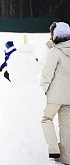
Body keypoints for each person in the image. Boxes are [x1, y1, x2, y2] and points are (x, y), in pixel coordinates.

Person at [40, 22, 70, 165]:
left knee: (46, 119)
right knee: (66, 127)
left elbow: (47, 75)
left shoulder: (54, 53)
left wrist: (40, 92)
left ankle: (53, 150)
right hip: (68, 98)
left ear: (56, 35)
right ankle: (66, 156)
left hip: (54, 97)